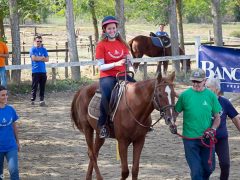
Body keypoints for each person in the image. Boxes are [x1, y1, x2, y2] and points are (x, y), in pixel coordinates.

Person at [174, 68, 222, 180]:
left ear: (204, 81)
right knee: (196, 172)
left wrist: (213, 129)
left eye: (198, 81)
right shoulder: (184, 95)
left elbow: (217, 117)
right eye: (193, 81)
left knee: (209, 168)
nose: (196, 84)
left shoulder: (211, 96)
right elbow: (175, 112)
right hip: (190, 139)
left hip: (207, 138)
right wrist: (172, 123)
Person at [96, 16, 135, 138]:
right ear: (104, 30)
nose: (112, 30)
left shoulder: (122, 44)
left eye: (113, 28)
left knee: (138, 90)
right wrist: (116, 64)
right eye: (109, 28)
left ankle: (140, 121)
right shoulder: (101, 45)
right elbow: (101, 67)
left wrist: (130, 60)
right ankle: (102, 124)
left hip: (123, 75)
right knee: (106, 95)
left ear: (116, 28)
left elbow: (130, 60)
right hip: (107, 76)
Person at [206, 77, 240, 180]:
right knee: (208, 167)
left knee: (225, 164)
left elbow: (235, 118)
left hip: (221, 139)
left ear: (216, 89)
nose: (206, 90)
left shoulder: (225, 102)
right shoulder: (202, 102)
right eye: (205, 87)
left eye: (208, 87)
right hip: (206, 139)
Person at [0, 85, 20, 180]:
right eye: (2, 95)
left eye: (6, 94)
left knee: (14, 171)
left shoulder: (11, 109)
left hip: (11, 146)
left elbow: (14, 126)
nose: (5, 97)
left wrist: (17, 141)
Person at [29, 35, 49, 106]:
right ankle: (33, 99)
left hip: (43, 71)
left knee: (42, 86)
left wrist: (39, 58)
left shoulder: (44, 49)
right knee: (34, 86)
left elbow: (47, 59)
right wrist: (42, 58)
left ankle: (41, 100)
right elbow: (34, 58)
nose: (39, 42)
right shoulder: (32, 49)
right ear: (35, 41)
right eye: (38, 41)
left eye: (40, 41)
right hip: (35, 71)